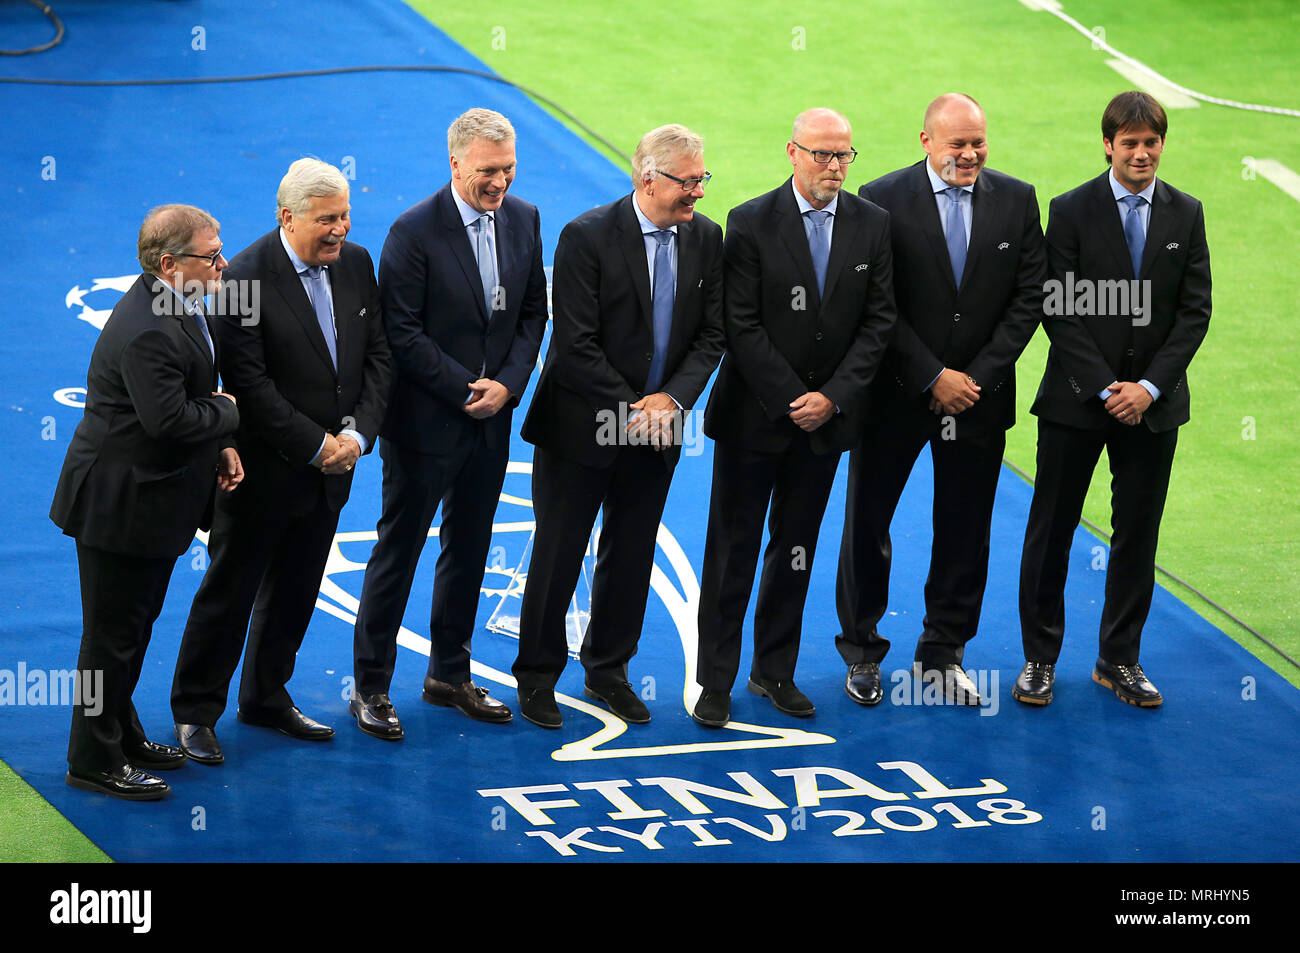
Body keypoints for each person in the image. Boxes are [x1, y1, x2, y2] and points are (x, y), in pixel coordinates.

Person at [170, 159, 392, 762]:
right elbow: (250, 385)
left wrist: (357, 436)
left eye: (345, 215)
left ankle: (266, 696)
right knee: (229, 592)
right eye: (327, 219)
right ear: (287, 217)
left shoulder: (358, 263)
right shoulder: (242, 278)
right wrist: (318, 446)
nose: (340, 229)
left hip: (334, 470)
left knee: (297, 590)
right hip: (262, 474)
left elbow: (377, 357)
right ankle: (195, 711)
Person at [834, 93, 1047, 709]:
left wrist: (972, 377)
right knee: (867, 523)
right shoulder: (877, 198)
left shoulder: (1018, 199)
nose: (970, 154)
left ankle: (943, 652)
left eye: (978, 141)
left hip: (978, 398)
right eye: (957, 143)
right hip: (895, 395)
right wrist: (932, 375)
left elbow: (1028, 296)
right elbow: (875, 302)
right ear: (925, 141)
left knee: (965, 526)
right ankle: (862, 652)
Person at [513, 124, 725, 729]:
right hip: (584, 425)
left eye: (702, 179)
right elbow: (575, 344)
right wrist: (641, 407)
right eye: (687, 182)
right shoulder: (586, 236)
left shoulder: (706, 239)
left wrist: (673, 401)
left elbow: (713, 334)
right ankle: (537, 677)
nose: (698, 194)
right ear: (646, 178)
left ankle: (609, 670)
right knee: (559, 553)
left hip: (657, 427)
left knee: (631, 554)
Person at [693, 108, 897, 728]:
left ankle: (773, 671)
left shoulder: (873, 224)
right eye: (822, 155)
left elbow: (878, 322)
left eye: (844, 156)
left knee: (796, 551)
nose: (834, 167)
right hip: (756, 421)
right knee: (734, 551)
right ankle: (716, 681)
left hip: (826, 425)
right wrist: (794, 398)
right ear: (792, 153)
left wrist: (831, 398)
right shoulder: (750, 222)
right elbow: (740, 325)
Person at [349, 109, 547, 739]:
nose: (501, 182)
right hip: (428, 425)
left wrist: (509, 385)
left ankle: (448, 675)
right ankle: (372, 686)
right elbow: (399, 332)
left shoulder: (525, 218)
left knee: (470, 548)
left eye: (509, 168)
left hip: (492, 422)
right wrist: (469, 390)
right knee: (399, 550)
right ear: (456, 163)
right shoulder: (413, 231)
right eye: (489, 171)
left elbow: (532, 317)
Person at [1016, 90, 1211, 707]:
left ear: (1161, 145)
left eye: (1151, 142)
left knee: (1138, 534)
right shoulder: (1070, 210)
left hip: (1152, 410)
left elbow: (1194, 311)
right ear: (1108, 145)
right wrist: (1107, 387)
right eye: (1129, 143)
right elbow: (1062, 306)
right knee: (1052, 530)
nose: (1141, 153)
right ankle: (1039, 660)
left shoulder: (1188, 212)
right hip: (1078, 402)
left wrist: (1148, 389)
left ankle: (1118, 660)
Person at [51, 205, 242, 799]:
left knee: (130, 629)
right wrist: (229, 413)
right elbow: (170, 419)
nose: (223, 264)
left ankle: (121, 733)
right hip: (119, 507)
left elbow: (188, 398)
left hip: (145, 503)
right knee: (110, 638)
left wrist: (220, 447)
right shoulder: (150, 327)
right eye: (210, 255)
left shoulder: (171, 305)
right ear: (169, 264)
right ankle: (92, 759)